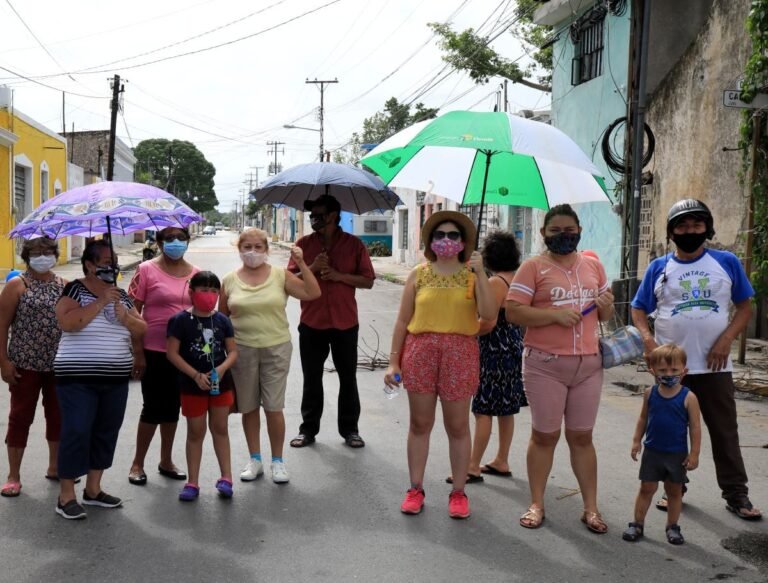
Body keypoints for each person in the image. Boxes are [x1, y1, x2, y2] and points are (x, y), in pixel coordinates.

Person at [630, 198, 762, 520]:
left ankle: (736, 494)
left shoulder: (726, 262)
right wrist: (649, 342)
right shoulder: (659, 268)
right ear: (672, 231)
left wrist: (726, 339)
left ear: (707, 228)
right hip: (670, 369)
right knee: (670, 431)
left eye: (696, 225)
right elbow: (638, 308)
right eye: (682, 226)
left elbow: (746, 306)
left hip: (715, 366)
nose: (689, 231)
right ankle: (674, 488)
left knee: (724, 432)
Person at [506, 203, 615, 533]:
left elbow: (605, 316)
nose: (564, 236)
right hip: (545, 365)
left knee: (582, 437)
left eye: (570, 230)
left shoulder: (593, 266)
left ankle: (591, 509)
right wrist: (552, 315)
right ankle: (537, 503)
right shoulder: (533, 268)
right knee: (545, 436)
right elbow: (512, 312)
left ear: (579, 231)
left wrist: (606, 306)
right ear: (544, 234)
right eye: (556, 231)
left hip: (588, 365)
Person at [384, 211, 495, 519]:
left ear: (464, 243)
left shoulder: (473, 276)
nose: (446, 240)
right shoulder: (419, 274)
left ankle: (459, 492)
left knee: (458, 426)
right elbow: (403, 320)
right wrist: (394, 361)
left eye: (453, 236)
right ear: (431, 241)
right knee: (420, 424)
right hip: (420, 351)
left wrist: (482, 273)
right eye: (440, 235)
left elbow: (488, 314)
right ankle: (415, 488)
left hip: (461, 352)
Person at [53, 240, 146, 519]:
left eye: (114, 260)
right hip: (76, 377)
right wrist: (101, 301)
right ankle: (65, 494)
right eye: (105, 261)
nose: (112, 265)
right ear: (90, 265)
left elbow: (142, 329)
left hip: (115, 377)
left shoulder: (122, 295)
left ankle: (93, 489)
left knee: (106, 431)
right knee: (77, 430)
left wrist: (126, 317)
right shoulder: (74, 289)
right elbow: (67, 323)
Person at [220, 228, 320, 484]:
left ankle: (278, 461)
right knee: (248, 407)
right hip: (242, 350)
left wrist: (302, 264)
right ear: (239, 249)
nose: (252, 252)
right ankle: (255, 460)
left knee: (274, 407)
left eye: (258, 247)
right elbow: (222, 319)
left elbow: (312, 293)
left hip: (276, 348)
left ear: (267, 249)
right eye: (247, 247)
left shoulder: (279, 275)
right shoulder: (230, 280)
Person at [287, 195, 375, 449]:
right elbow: (289, 280)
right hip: (312, 322)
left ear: (334, 216)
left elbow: (367, 280)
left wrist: (339, 275)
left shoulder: (354, 245)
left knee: (348, 379)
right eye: (312, 213)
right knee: (311, 378)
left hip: (345, 323)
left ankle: (350, 430)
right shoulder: (302, 245)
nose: (314, 218)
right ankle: (308, 430)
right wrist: (312, 266)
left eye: (320, 214)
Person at [127, 227, 199, 486]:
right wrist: (137, 352)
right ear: (158, 243)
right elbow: (132, 312)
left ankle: (166, 460)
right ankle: (137, 462)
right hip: (153, 351)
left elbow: (202, 311)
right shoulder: (146, 269)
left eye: (181, 239)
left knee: (173, 409)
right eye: (169, 239)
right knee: (152, 407)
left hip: (184, 354)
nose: (176, 243)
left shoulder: (196, 274)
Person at [0, 237, 66, 497]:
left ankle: (55, 466)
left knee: (58, 417)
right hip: (24, 364)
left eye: (48, 252)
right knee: (20, 418)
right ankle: (13, 475)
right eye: (37, 252)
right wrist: (3, 361)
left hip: (59, 365)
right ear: (27, 256)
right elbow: (2, 325)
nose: (43, 257)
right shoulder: (17, 285)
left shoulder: (65, 285)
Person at [166, 271, 238, 501]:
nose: (209, 295)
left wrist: (222, 368)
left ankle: (226, 478)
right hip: (191, 385)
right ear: (191, 292)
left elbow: (233, 351)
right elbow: (172, 354)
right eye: (204, 290)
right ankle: (193, 482)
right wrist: (195, 375)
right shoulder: (179, 321)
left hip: (221, 384)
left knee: (220, 429)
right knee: (195, 432)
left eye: (214, 291)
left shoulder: (222, 321)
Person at [623, 344, 702, 545]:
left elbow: (695, 428)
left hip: (676, 454)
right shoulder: (650, 393)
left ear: (684, 371)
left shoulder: (689, 397)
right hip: (652, 451)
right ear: (653, 371)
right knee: (646, 488)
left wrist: (694, 454)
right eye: (663, 370)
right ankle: (637, 524)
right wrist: (636, 441)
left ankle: (672, 526)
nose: (669, 374)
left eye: (674, 370)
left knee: (674, 491)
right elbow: (643, 419)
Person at [466, 231, 526, 482]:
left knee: (483, 409)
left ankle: (472, 465)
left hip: (493, 351)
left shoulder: (496, 283)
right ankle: (501, 459)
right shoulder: (517, 279)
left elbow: (488, 322)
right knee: (506, 409)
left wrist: (466, 332)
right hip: (513, 348)